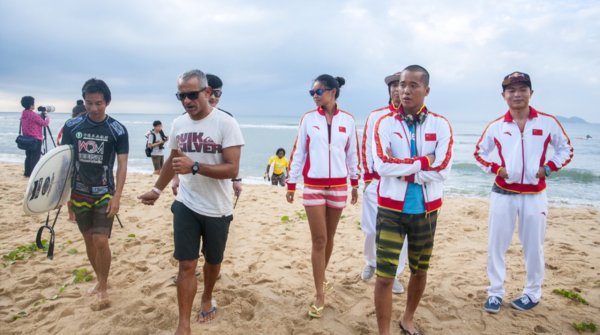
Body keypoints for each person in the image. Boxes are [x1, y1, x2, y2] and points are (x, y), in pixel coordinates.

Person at [138, 69, 244, 334]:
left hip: (218, 208)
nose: (186, 101)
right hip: (186, 203)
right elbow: (173, 160)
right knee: (186, 264)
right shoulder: (179, 124)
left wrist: (194, 166)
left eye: (192, 94)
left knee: (213, 261)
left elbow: (232, 169)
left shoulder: (226, 124)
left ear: (208, 93)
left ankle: (207, 295)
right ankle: (183, 324)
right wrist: (157, 189)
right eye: (181, 96)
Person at [474, 71, 573, 314]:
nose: (517, 94)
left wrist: (548, 168)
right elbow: (479, 153)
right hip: (502, 194)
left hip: (535, 196)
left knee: (534, 247)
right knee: (496, 245)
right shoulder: (497, 126)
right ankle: (495, 293)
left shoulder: (547, 122)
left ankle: (532, 293)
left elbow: (566, 149)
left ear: (531, 93)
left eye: (522, 89)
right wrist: (496, 168)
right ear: (504, 95)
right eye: (511, 90)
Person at [372, 65, 453, 335]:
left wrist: (405, 172)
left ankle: (408, 318)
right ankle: (384, 331)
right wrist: (422, 163)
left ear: (426, 90)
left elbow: (442, 170)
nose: (404, 90)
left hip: (427, 212)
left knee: (419, 270)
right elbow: (382, 165)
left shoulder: (440, 124)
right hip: (390, 209)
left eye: (412, 85)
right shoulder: (385, 123)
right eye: (402, 85)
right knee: (385, 275)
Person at [286, 74, 360, 319]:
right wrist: (291, 182)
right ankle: (320, 294)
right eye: (312, 92)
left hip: (339, 186)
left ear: (333, 92)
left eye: (318, 91)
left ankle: (322, 277)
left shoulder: (348, 120)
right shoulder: (308, 119)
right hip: (314, 186)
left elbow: (352, 154)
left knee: (329, 238)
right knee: (318, 239)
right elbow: (299, 152)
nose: (315, 96)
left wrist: (355, 182)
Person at [60, 78, 129, 309]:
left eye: (98, 103)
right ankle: (99, 281)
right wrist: (66, 197)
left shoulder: (117, 130)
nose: (93, 108)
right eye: (89, 103)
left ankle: (104, 284)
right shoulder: (72, 127)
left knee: (101, 240)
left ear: (107, 102)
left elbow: (122, 165)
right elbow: (65, 163)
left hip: (104, 193)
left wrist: (117, 196)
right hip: (79, 193)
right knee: (88, 239)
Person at [360, 74, 408, 294]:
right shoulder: (376, 116)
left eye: (402, 85)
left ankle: (395, 273)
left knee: (401, 231)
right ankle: (371, 262)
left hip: (403, 182)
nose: (398, 90)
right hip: (377, 181)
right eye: (394, 86)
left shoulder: (413, 117)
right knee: (371, 228)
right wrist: (367, 178)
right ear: (389, 90)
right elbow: (366, 147)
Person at [171, 73, 242, 199]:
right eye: (211, 93)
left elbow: (232, 158)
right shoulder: (184, 120)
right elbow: (176, 153)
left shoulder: (227, 120)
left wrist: (236, 180)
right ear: (205, 92)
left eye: (218, 93)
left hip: (215, 192)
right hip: (188, 189)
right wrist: (175, 177)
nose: (213, 97)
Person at [19, 96, 49, 177]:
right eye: (33, 103)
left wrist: (40, 115)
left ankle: (27, 173)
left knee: (28, 156)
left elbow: (33, 119)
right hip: (36, 139)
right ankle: (33, 174)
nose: (34, 104)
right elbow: (44, 124)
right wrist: (47, 117)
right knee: (35, 158)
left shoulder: (23, 113)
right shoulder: (33, 114)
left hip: (27, 139)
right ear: (31, 104)